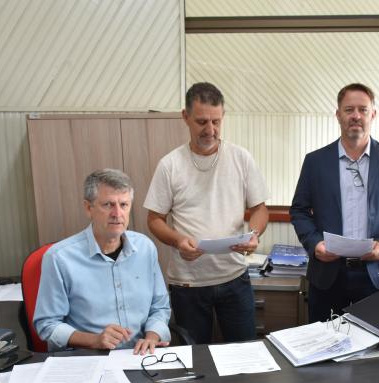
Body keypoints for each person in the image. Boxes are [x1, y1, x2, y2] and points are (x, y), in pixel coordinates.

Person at [144, 82, 269, 344]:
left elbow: (259, 209)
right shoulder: (170, 164)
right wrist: (178, 240)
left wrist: (254, 234)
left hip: (234, 277)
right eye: (202, 122)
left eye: (216, 122)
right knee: (193, 357)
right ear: (185, 117)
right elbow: (154, 219)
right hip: (188, 284)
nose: (210, 130)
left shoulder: (241, 158)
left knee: (245, 353)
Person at [290, 83, 379, 323]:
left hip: (377, 275)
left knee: (376, 342)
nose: (356, 116)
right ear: (338, 115)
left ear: (373, 114)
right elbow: (299, 210)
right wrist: (315, 243)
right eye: (349, 109)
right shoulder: (315, 161)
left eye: (363, 109)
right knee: (325, 341)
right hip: (328, 275)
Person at [34, 169, 171, 354]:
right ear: (88, 208)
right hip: (89, 357)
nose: (117, 213)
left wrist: (152, 337)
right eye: (108, 205)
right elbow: (47, 324)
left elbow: (159, 307)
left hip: (140, 356)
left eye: (124, 204)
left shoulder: (145, 248)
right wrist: (95, 340)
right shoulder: (59, 258)